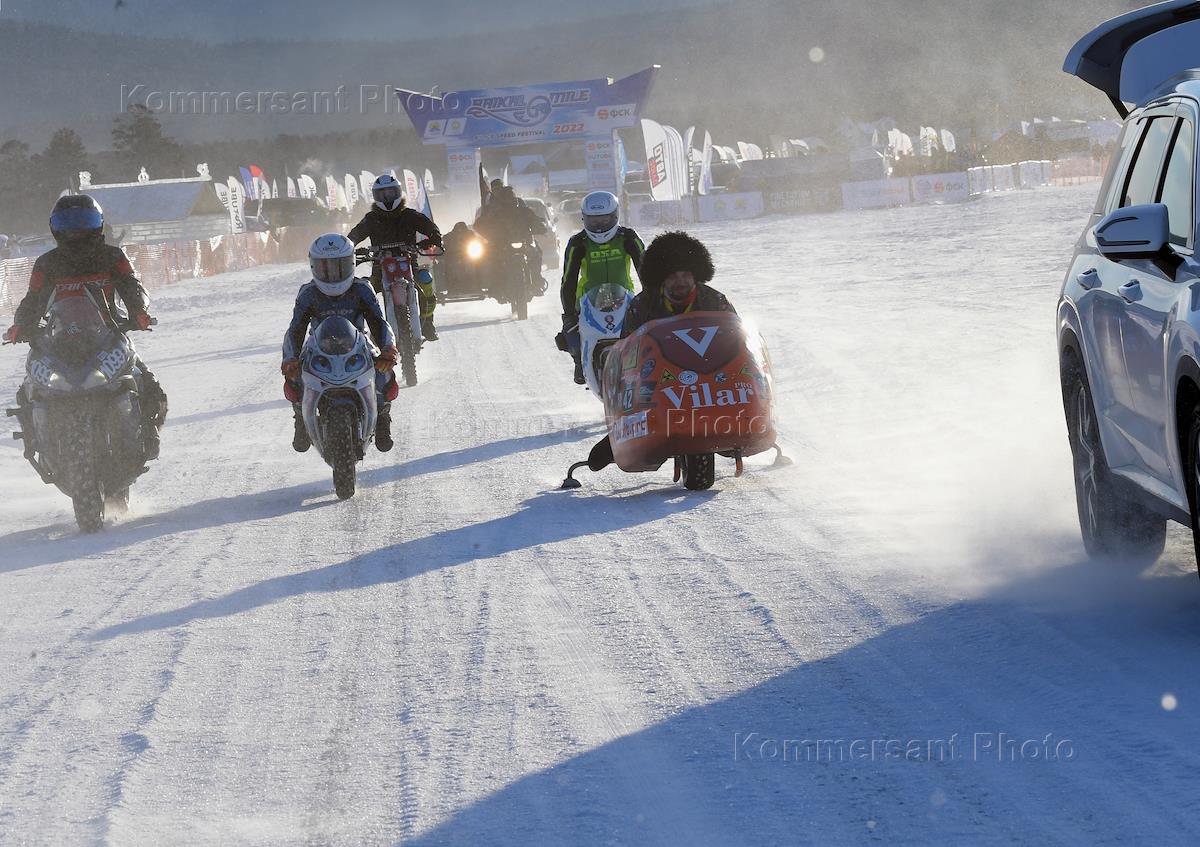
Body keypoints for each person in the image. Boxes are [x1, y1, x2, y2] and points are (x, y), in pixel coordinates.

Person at [4, 194, 168, 458]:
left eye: (83, 222)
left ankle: (147, 434)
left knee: (151, 387)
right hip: (59, 339)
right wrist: (21, 326)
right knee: (27, 391)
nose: (76, 230)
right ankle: (37, 443)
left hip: (108, 335)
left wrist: (139, 312)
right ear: (55, 227)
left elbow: (132, 286)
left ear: (98, 224)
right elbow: (33, 299)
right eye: (67, 224)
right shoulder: (47, 263)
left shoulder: (112, 256)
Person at [282, 233, 399, 452]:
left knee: (385, 373)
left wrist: (388, 349)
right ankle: (300, 416)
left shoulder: (362, 288)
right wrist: (290, 358)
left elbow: (378, 323)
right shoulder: (307, 293)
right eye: (325, 267)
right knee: (294, 376)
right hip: (317, 346)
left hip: (359, 344)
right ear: (314, 267)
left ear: (351, 263)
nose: (332, 274)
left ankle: (383, 416)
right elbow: (296, 329)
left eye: (339, 266)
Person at [559, 190, 644, 383]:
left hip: (624, 298)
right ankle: (579, 363)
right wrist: (569, 314)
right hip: (587, 301)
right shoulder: (577, 243)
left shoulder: (628, 237)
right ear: (584, 218)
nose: (599, 225)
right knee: (569, 335)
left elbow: (646, 270)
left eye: (604, 220)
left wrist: (650, 299)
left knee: (644, 333)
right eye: (593, 221)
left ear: (615, 216)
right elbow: (568, 280)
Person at [348, 174, 443, 341]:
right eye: (383, 194)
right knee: (361, 292)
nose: (387, 197)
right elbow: (355, 234)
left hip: (410, 265)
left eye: (390, 193)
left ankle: (427, 323)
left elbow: (429, 226)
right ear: (376, 196)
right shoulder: (371, 219)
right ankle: (359, 334)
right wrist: (346, 246)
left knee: (426, 281)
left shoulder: (410, 215)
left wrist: (435, 237)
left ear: (398, 192)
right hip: (379, 268)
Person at [620, 230, 734, 338]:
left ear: (696, 275)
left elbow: (736, 340)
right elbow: (627, 347)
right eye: (672, 276)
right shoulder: (642, 306)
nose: (680, 282)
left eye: (686, 275)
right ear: (661, 278)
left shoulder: (716, 303)